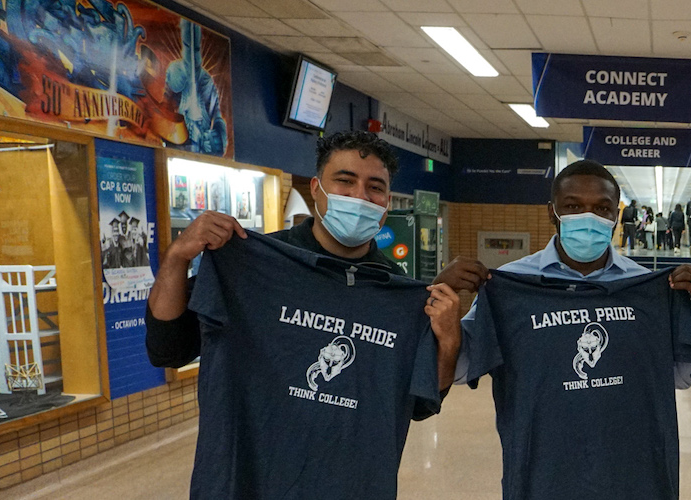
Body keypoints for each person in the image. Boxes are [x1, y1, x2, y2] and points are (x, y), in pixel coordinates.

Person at [143, 130, 463, 497]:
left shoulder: (395, 289)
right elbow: (166, 349)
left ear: (386, 202)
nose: (360, 196)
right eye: (344, 181)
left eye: (374, 187)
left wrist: (449, 341)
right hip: (248, 483)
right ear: (315, 188)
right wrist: (177, 257)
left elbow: (420, 405)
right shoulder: (254, 265)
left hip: (350, 486)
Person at [455, 160, 691, 499]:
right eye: (573, 206)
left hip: (634, 477)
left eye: (601, 208)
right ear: (552, 212)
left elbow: (683, 376)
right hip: (543, 477)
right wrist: (444, 302)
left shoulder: (648, 288)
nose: (588, 216)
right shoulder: (510, 286)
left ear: (615, 216)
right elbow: (461, 368)